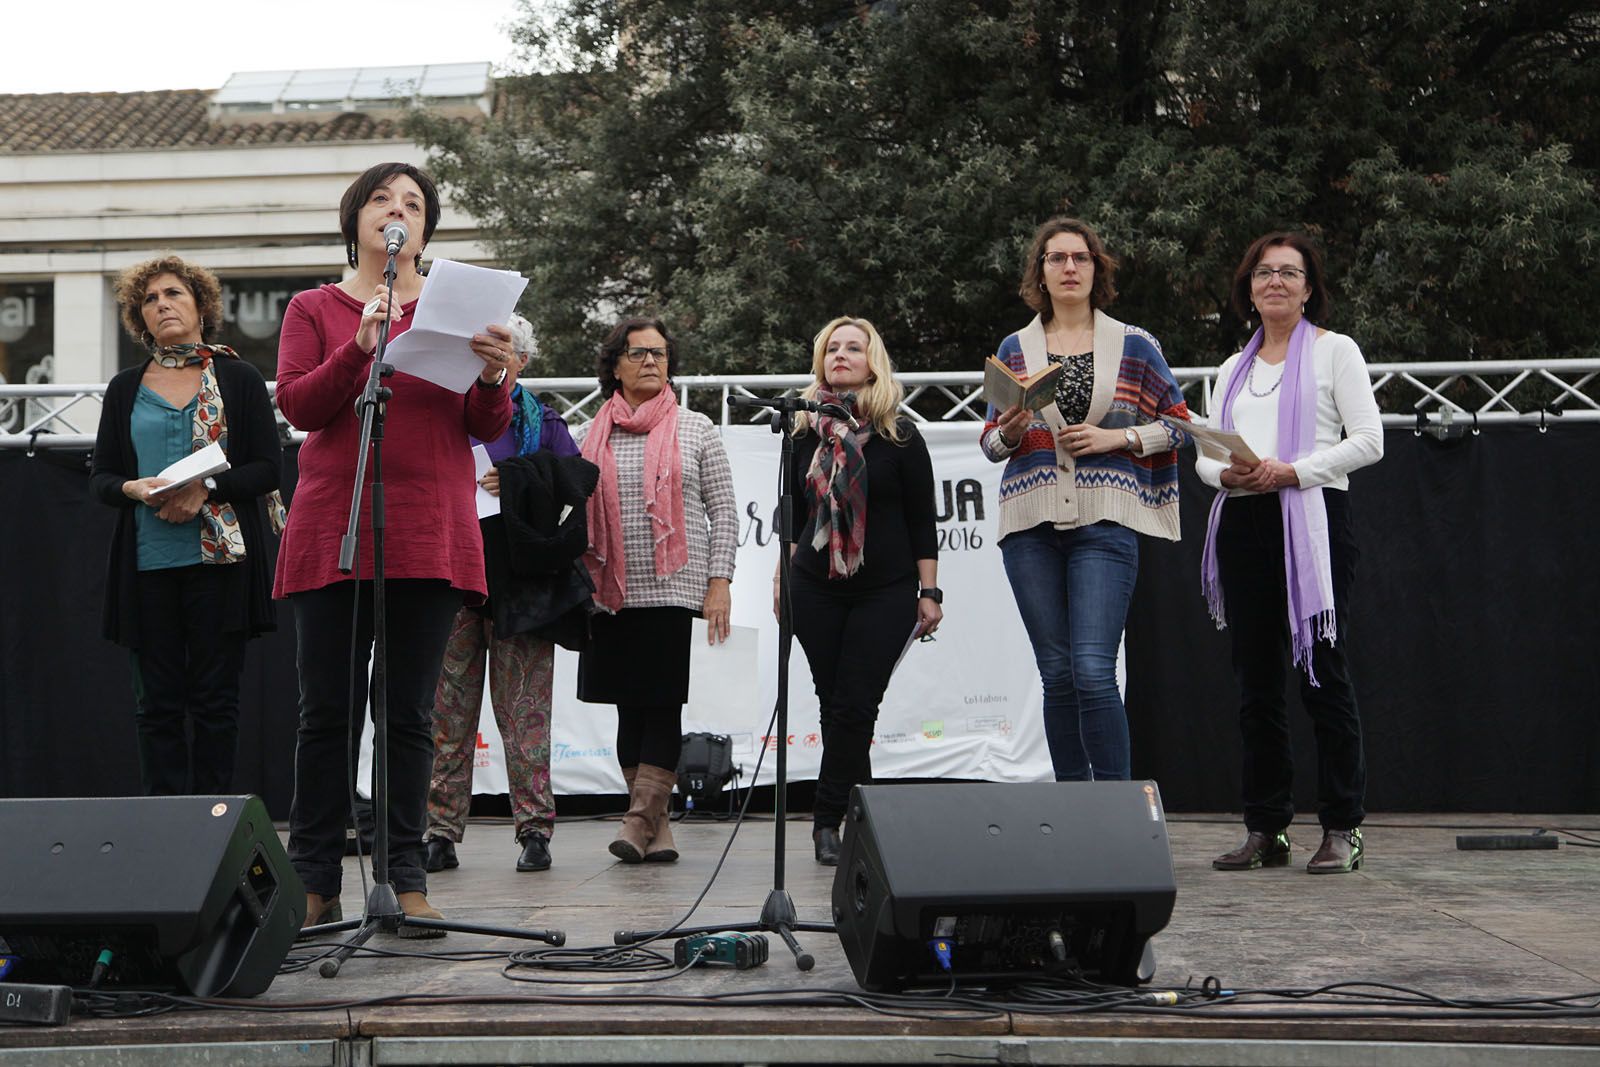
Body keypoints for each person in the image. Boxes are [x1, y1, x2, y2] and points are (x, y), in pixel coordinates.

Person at [274, 162, 518, 930]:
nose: (397, 211)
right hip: (335, 527)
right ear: (356, 221)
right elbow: (301, 404)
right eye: (383, 198)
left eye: (413, 203)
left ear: (425, 231)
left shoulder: (453, 312)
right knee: (328, 714)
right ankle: (315, 877)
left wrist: (491, 377)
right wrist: (359, 346)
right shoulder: (315, 308)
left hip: (428, 529)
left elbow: (483, 427)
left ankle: (404, 873)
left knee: (411, 715)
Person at [1199, 232, 1383, 875]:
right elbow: (1205, 453)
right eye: (1262, 272)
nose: (1274, 281)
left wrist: (1293, 472)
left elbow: (1369, 441)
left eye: (1289, 272)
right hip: (1245, 521)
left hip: (1311, 518)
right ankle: (1267, 828)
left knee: (1322, 675)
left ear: (1309, 288)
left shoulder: (1336, 352)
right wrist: (1226, 475)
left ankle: (1341, 827)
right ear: (1248, 288)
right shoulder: (1232, 368)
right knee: (1256, 684)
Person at [981, 217, 1189, 782]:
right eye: (1056, 259)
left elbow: (1178, 426)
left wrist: (1117, 437)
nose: (1069, 267)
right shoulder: (1014, 348)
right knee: (1057, 674)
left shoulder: (1134, 344)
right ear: (1040, 273)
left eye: (1080, 258)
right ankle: (1073, 810)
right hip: (1030, 526)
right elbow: (991, 444)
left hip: (1104, 521)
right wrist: (1015, 431)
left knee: (1094, 670)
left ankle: (1118, 814)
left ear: (1097, 269)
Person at [90, 255, 282, 796]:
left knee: (216, 704)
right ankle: (162, 831)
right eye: (149, 300)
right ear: (139, 319)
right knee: (156, 707)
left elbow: (268, 467)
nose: (162, 305)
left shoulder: (238, 378)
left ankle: (214, 827)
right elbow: (102, 477)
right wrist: (133, 488)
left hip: (219, 567)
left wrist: (208, 489)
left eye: (173, 293)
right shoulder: (125, 388)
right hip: (147, 566)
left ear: (200, 306)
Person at [424, 314, 592, 875]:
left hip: (521, 585)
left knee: (525, 714)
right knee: (447, 711)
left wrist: (519, 475)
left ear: (522, 361)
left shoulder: (540, 417)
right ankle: (440, 831)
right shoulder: (448, 409)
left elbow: (578, 479)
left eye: (504, 352)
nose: (491, 361)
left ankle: (535, 830)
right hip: (451, 574)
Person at [575, 317, 737, 864]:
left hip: (674, 589)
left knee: (662, 707)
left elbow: (724, 513)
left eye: (660, 353)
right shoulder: (588, 435)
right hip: (608, 594)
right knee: (627, 710)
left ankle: (637, 820)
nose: (651, 362)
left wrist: (720, 583)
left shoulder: (697, 428)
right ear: (614, 364)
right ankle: (656, 830)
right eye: (639, 352)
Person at [781, 317, 940, 867]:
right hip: (814, 586)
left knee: (853, 702)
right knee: (839, 706)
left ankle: (828, 819)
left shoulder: (901, 434)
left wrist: (931, 591)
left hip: (887, 589)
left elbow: (923, 520)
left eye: (855, 347)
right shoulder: (802, 431)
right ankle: (859, 814)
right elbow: (791, 516)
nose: (842, 355)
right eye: (832, 348)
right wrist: (782, 575)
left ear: (875, 361)